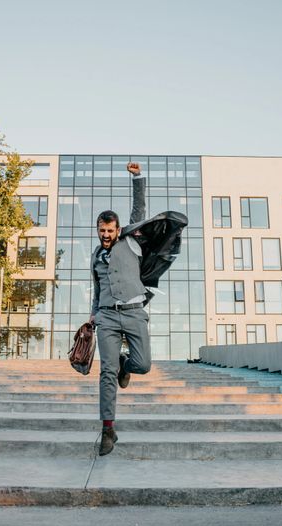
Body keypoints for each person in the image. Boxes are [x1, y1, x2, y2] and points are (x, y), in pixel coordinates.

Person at [89, 161, 187, 456]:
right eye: (101, 230)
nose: (105, 234)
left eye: (110, 230)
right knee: (106, 373)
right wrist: (93, 314)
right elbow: (97, 287)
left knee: (143, 365)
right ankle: (108, 429)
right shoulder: (96, 255)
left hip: (133, 313)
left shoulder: (130, 241)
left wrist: (138, 178)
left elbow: (139, 210)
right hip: (106, 315)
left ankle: (125, 365)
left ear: (118, 229)